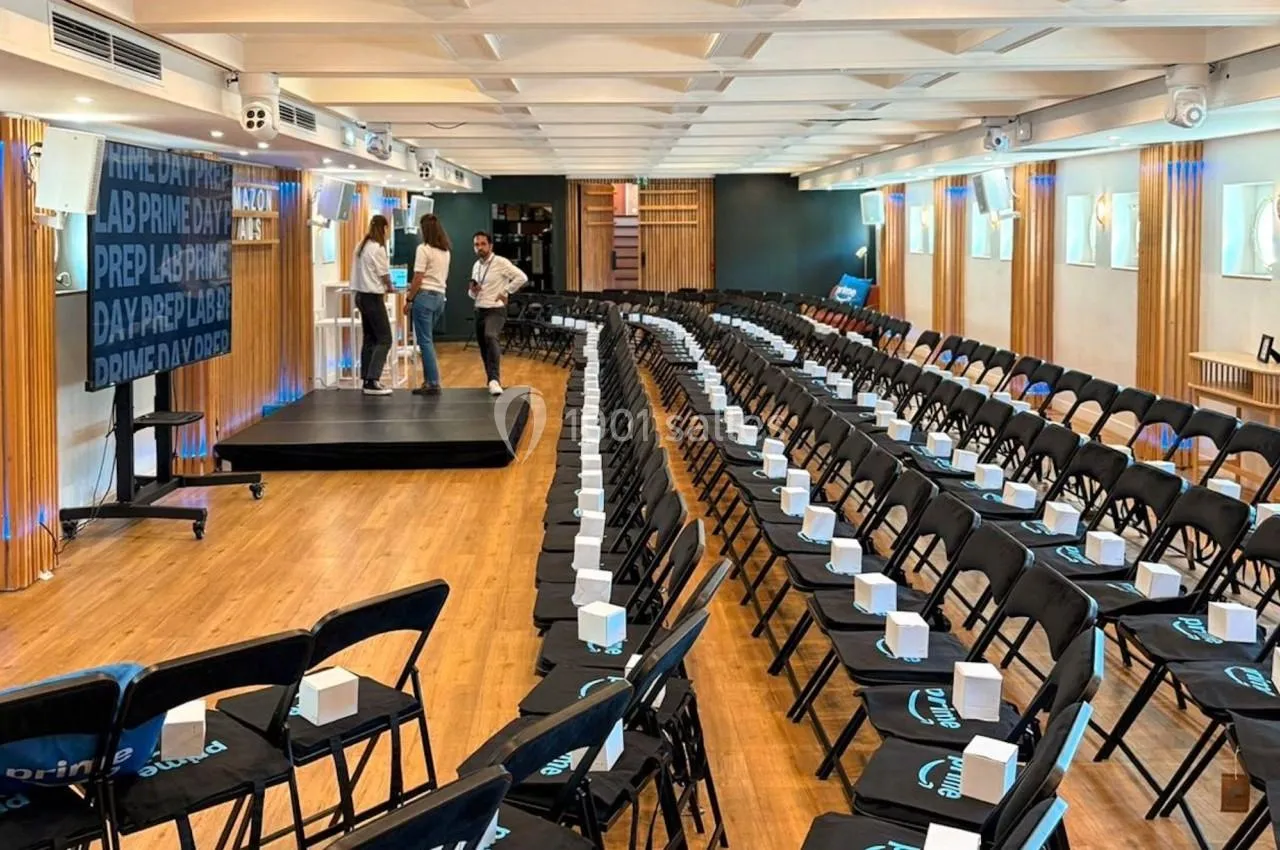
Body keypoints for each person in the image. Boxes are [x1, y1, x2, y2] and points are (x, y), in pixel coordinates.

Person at [468, 231, 528, 396]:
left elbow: (522, 277)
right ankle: (491, 380)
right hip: (479, 308)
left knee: (490, 336)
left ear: (490, 246)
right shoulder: (476, 266)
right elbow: (472, 293)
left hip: (496, 309)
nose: (480, 247)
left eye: (483, 244)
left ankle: (495, 380)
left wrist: (506, 291)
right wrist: (473, 291)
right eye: (476, 245)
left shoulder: (501, 262)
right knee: (483, 347)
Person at [405, 213, 451, 396]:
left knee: (425, 341)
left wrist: (409, 299)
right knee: (428, 340)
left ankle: (432, 382)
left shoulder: (423, 249)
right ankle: (429, 381)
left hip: (424, 297)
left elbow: (418, 277)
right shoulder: (445, 251)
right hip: (440, 297)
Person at [350, 214, 394, 396]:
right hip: (373, 297)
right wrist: (390, 287)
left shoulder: (361, 246)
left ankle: (367, 379)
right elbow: (384, 275)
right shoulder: (378, 248)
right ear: (384, 228)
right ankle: (373, 379)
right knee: (385, 339)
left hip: (360, 296)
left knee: (370, 338)